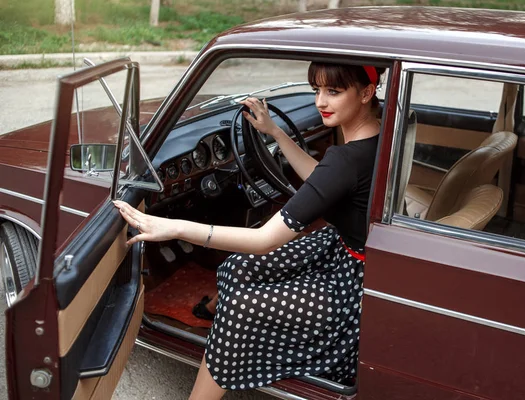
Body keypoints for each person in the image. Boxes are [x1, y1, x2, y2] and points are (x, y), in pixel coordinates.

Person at [114, 61, 383, 400]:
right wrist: (275, 132)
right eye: (316, 90)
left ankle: (221, 350)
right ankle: (211, 319)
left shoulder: (346, 159)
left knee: (240, 304)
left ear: (366, 92)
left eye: (333, 91)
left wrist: (174, 227)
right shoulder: (376, 135)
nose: (320, 102)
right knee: (237, 266)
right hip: (350, 253)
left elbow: (262, 240)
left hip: (353, 286)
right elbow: (324, 179)